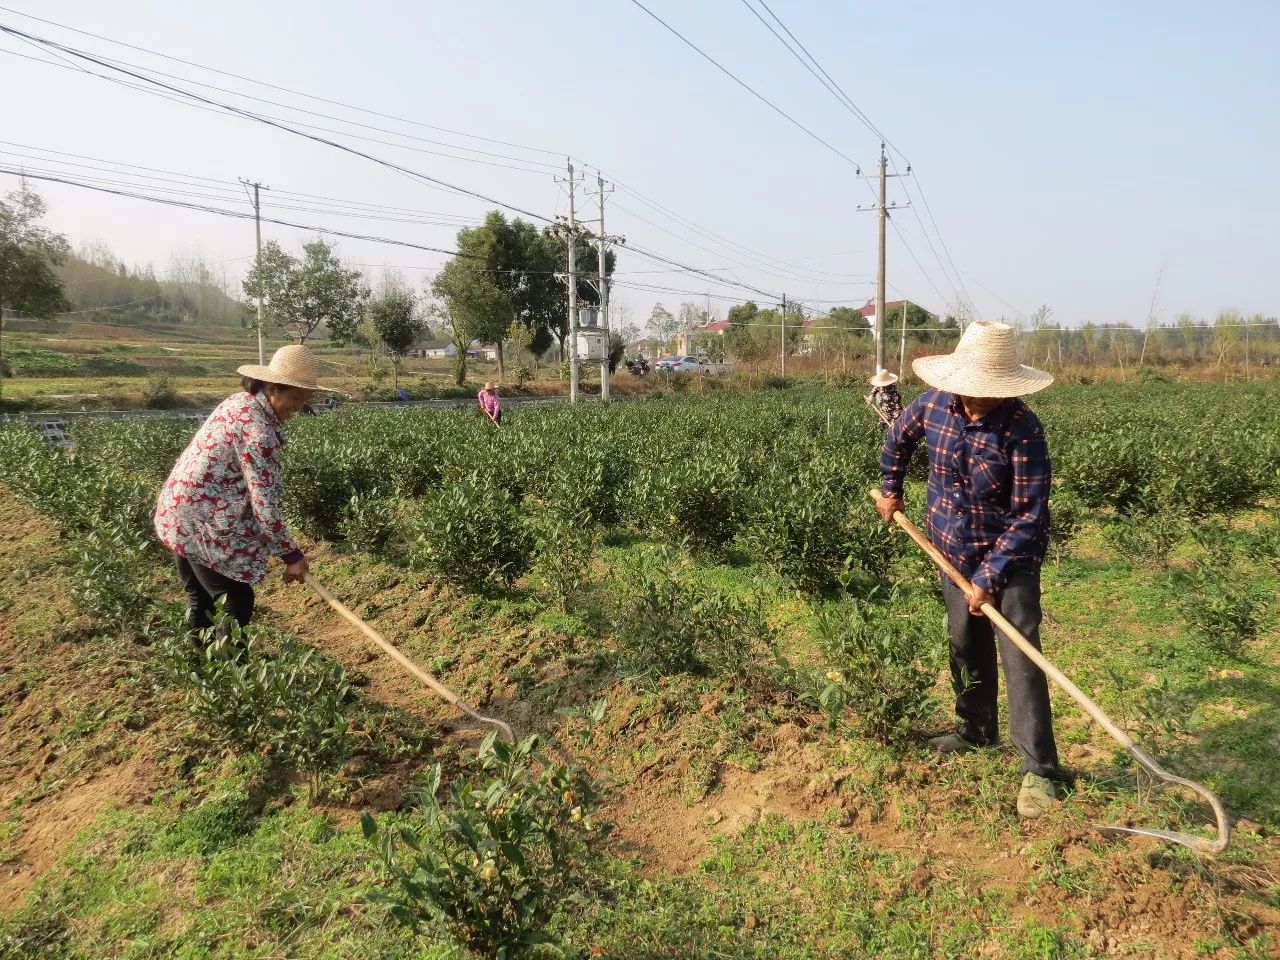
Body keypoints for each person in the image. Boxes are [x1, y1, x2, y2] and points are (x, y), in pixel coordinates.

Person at [875, 320, 1062, 819]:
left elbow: (1029, 514)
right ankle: (975, 729)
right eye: (970, 390)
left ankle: (1040, 771)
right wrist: (892, 489)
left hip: (1011, 557)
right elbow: (897, 440)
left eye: (987, 393)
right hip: (951, 547)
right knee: (962, 637)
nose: (975, 399)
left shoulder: (1023, 429)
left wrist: (989, 577)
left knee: (1019, 653)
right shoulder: (933, 404)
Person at [154, 344, 329, 632]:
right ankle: (232, 673)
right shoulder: (258, 433)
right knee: (235, 600)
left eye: (305, 399)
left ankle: (198, 668)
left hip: (179, 511)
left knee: (202, 599)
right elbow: (265, 507)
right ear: (273, 388)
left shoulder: (238, 402)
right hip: (203, 523)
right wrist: (292, 555)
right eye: (295, 397)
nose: (298, 407)